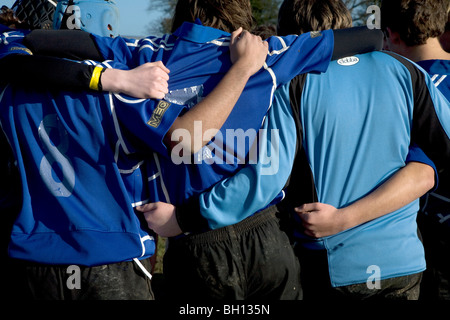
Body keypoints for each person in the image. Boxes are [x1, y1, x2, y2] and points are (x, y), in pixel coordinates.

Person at [1, 0, 384, 300]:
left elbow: (65, 44)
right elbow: (360, 38)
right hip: (264, 233)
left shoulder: (144, 53)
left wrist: (28, 38)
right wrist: (382, 37)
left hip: (191, 239)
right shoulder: (267, 53)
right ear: (242, 18)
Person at [141, 0, 442, 301]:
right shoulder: (404, 69)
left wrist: (186, 216)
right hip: (404, 261)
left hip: (334, 264)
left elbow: (265, 179)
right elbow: (433, 159)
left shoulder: (291, 85)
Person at [0, 3, 270, 299]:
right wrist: (242, 69)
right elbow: (186, 137)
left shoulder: (13, 84)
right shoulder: (127, 91)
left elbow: (20, 61)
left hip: (32, 254)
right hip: (113, 251)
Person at [381, 0, 450, 300]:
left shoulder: (396, 85)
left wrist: (342, 219)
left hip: (428, 241)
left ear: (391, 35)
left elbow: (418, 174)